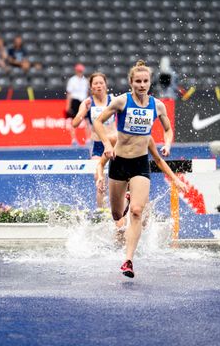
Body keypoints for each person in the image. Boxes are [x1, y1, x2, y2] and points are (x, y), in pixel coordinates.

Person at [94, 60, 174, 278]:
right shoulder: (122, 101)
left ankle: (128, 260)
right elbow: (98, 123)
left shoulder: (157, 106)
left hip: (140, 164)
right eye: (137, 81)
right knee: (117, 214)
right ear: (131, 82)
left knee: (137, 211)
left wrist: (167, 144)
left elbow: (168, 129)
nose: (142, 85)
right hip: (119, 162)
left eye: (145, 81)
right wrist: (108, 145)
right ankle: (125, 204)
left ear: (150, 82)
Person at [71, 72, 117, 207]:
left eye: (101, 83)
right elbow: (74, 124)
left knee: (120, 181)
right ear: (91, 87)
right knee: (100, 180)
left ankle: (118, 211)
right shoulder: (87, 102)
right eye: (95, 83)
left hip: (114, 144)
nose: (98, 86)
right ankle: (101, 212)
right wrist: (83, 112)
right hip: (97, 146)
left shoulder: (113, 100)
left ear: (106, 85)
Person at [66, 63, 88, 145]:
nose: (80, 72)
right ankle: (73, 139)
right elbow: (69, 93)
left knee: (87, 121)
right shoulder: (72, 80)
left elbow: (86, 93)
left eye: (81, 71)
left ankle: (88, 139)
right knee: (74, 120)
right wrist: (68, 105)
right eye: (79, 71)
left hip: (83, 101)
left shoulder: (85, 80)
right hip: (75, 101)